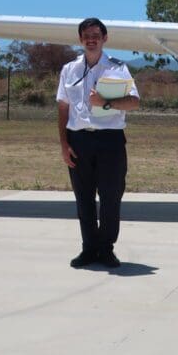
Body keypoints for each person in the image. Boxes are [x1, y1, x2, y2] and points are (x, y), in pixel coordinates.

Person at [57, 17, 140, 268]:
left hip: (109, 141)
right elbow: (63, 106)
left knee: (110, 197)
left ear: (105, 38)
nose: (91, 39)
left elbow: (134, 102)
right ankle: (88, 248)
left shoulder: (117, 68)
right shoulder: (69, 70)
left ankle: (106, 248)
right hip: (79, 139)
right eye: (86, 36)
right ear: (81, 39)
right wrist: (64, 143)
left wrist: (105, 102)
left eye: (96, 35)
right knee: (83, 197)